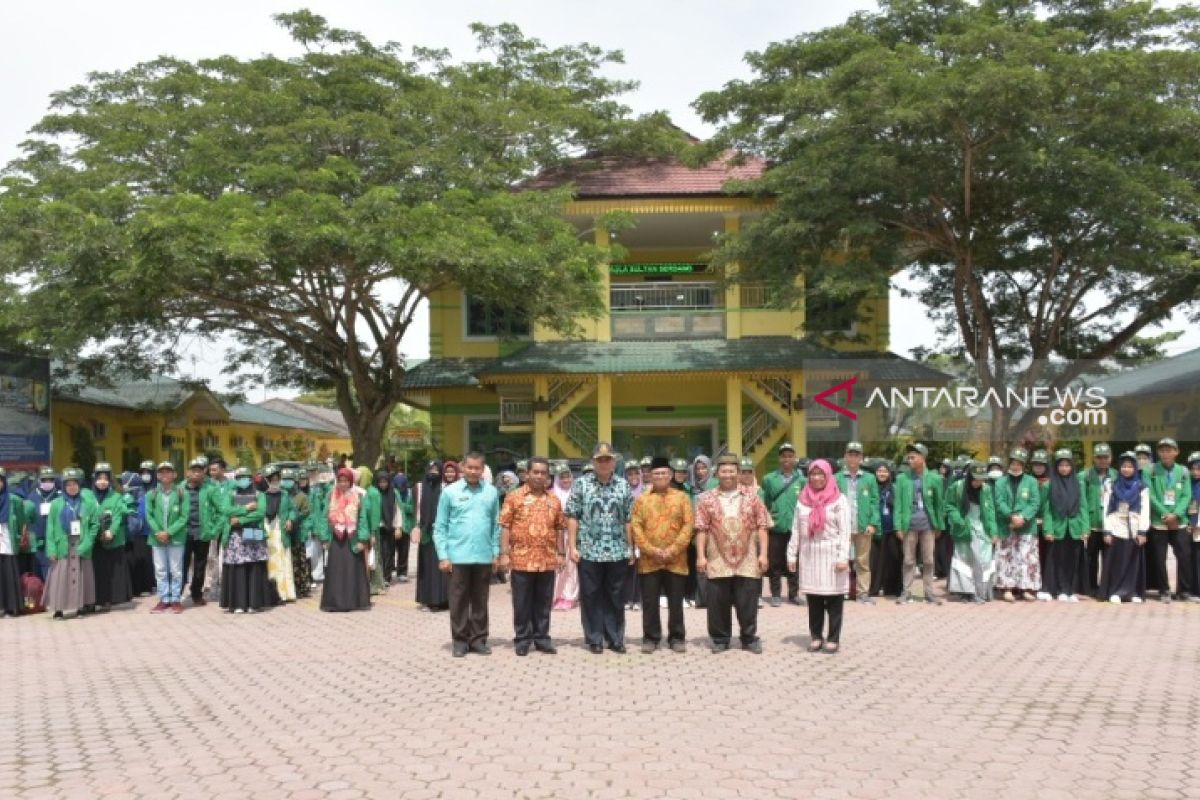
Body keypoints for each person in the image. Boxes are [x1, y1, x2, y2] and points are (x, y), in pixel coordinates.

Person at [694, 453, 771, 654]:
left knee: (747, 601)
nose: (728, 474)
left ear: (738, 473)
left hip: (747, 558)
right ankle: (720, 639)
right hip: (717, 557)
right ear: (717, 473)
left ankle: (749, 638)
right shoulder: (706, 499)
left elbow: (762, 526)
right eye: (723, 471)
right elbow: (701, 528)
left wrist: (763, 554)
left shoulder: (752, 497)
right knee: (717, 602)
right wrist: (701, 556)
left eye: (732, 471)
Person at [566, 443, 635, 655]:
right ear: (593, 462)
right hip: (589, 549)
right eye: (600, 459)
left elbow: (628, 519)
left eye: (608, 459)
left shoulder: (623, 486)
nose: (604, 463)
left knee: (616, 596)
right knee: (591, 595)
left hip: (617, 549)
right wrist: (572, 546)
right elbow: (572, 516)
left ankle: (615, 638)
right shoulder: (581, 484)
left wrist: (632, 548)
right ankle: (594, 638)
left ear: (614, 462)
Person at [435, 452, 501, 657]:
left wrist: (496, 552)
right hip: (458, 557)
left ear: (483, 470)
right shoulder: (450, 492)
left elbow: (496, 526)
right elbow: (440, 526)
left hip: (483, 556)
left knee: (481, 600)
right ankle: (460, 641)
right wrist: (443, 556)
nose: (473, 471)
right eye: (469, 467)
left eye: (477, 468)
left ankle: (479, 639)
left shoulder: (491, 493)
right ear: (463, 468)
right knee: (458, 601)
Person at [499, 457, 566, 656]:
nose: (539, 476)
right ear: (527, 474)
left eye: (543, 473)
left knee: (543, 602)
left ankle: (542, 638)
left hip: (546, 559)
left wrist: (561, 553)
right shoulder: (514, 497)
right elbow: (505, 526)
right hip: (521, 559)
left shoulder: (554, 500)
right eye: (535, 472)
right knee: (521, 602)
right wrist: (504, 554)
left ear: (548, 476)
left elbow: (560, 528)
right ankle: (522, 639)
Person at [630, 456, 694, 654]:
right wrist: (652, 550)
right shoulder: (642, 500)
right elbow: (636, 527)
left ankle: (676, 637)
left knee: (676, 601)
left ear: (670, 475)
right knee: (649, 602)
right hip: (650, 560)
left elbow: (689, 525)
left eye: (664, 473)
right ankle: (650, 637)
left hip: (676, 559)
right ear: (650, 475)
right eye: (656, 473)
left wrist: (673, 550)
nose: (660, 476)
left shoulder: (682, 498)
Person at [788, 459, 851, 654]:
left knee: (833, 600)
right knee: (814, 600)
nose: (816, 478)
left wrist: (843, 557)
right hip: (810, 555)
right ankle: (816, 636)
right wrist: (792, 555)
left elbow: (845, 531)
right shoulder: (802, 500)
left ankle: (833, 638)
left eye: (820, 474)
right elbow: (796, 529)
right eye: (812, 474)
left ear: (828, 476)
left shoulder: (839, 500)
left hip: (832, 555)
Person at [43, 468, 99, 619]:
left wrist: (88, 543)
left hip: (81, 543)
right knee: (60, 577)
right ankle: (58, 608)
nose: (72, 487)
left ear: (80, 485)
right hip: (63, 545)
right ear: (63, 486)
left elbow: (95, 525)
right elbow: (50, 528)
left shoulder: (88, 503)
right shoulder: (56, 504)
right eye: (68, 484)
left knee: (82, 575)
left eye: (75, 484)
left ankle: (81, 607)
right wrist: (51, 549)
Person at [894, 443, 945, 605]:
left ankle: (929, 592)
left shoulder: (935, 478)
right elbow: (898, 505)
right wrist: (898, 526)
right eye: (908, 457)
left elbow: (939, 504)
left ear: (922, 458)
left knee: (929, 560)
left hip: (928, 525)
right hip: (909, 525)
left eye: (913, 457)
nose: (909, 460)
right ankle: (906, 591)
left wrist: (939, 525)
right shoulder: (902, 479)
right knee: (909, 560)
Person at [218, 467, 274, 613]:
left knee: (254, 567)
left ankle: (253, 603)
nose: (243, 480)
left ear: (251, 478)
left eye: (246, 476)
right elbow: (225, 510)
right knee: (238, 568)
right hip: (235, 535)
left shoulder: (259, 494)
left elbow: (260, 513)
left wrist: (240, 520)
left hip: (253, 532)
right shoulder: (230, 494)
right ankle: (238, 604)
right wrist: (246, 508)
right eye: (239, 477)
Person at [1146, 438, 1193, 602]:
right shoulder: (1150, 470)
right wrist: (1165, 514)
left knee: (1184, 556)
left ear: (1176, 451)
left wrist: (1177, 514)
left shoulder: (1184, 471)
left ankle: (1184, 591)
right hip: (1159, 522)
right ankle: (1163, 590)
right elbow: (1150, 495)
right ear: (1158, 452)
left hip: (1179, 522)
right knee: (1159, 558)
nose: (1165, 453)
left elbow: (1187, 495)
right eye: (1162, 450)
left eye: (1169, 450)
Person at [318, 467, 371, 612]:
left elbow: (363, 518)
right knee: (336, 571)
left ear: (351, 481)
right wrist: (323, 537)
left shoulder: (359, 496)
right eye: (340, 481)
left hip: (352, 539)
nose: (343, 484)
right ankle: (335, 603)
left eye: (346, 481)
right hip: (336, 538)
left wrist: (363, 539)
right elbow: (323, 516)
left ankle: (354, 602)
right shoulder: (331, 495)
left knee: (352, 571)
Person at [993, 447, 1042, 602]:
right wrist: (1011, 516)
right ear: (1010, 463)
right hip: (1006, 525)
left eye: (1019, 463)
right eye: (1013, 462)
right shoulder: (1000, 481)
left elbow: (1035, 502)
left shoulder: (1031, 481)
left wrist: (1023, 517)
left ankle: (1026, 588)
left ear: (1024, 464)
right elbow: (999, 501)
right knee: (1006, 557)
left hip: (1026, 526)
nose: (1016, 466)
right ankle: (1007, 589)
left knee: (1026, 557)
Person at [944, 461, 998, 602]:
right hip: (963, 526)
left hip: (981, 527)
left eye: (981, 479)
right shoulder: (957, 487)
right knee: (963, 560)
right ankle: (965, 592)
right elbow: (949, 505)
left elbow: (990, 511)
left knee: (983, 559)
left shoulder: (986, 489)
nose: (978, 482)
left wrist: (993, 531)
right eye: (976, 478)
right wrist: (958, 520)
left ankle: (981, 591)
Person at [1099, 452, 1149, 603]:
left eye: (1129, 466)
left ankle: (1132, 592)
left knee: (1133, 562)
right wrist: (1107, 530)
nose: (1126, 469)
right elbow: (1106, 507)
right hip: (1116, 528)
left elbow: (1145, 509)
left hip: (1134, 529)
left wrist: (1142, 531)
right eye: (1123, 466)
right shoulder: (1112, 485)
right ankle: (1115, 591)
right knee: (1117, 562)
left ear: (1135, 468)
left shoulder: (1141, 486)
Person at [760, 443, 805, 608]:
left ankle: (793, 594)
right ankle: (776, 594)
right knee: (775, 563)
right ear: (779, 458)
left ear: (794, 458)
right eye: (784, 456)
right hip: (777, 526)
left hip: (794, 526)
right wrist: (769, 515)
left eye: (790, 456)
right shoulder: (769, 479)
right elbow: (764, 502)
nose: (787, 459)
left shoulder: (801, 480)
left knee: (794, 562)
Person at [1042, 449, 1089, 603]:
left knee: (1072, 561)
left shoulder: (1078, 483)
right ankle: (1055, 589)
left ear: (1072, 467)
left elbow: (1083, 507)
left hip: (1074, 528)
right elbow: (1047, 509)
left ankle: (1069, 590)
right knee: (1055, 560)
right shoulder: (1050, 484)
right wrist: (1048, 529)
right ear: (1056, 467)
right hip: (1057, 528)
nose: (1064, 468)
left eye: (1067, 465)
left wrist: (1085, 528)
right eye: (1061, 465)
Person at [836, 442, 880, 605]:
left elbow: (875, 502)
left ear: (861, 458)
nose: (853, 457)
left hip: (863, 525)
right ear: (845, 457)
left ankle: (863, 592)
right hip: (842, 526)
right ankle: (841, 591)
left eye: (857, 455)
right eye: (851, 454)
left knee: (862, 561)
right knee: (842, 560)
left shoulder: (869, 478)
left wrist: (873, 523)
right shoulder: (837, 478)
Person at [86, 463, 132, 612]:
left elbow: (118, 516)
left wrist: (111, 531)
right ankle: (93, 600)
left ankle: (107, 599)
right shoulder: (87, 496)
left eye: (106, 478)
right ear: (94, 479)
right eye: (99, 478)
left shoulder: (117, 497)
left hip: (111, 540)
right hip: (92, 541)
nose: (102, 481)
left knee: (108, 572)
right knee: (95, 571)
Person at [145, 462, 189, 614]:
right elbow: (149, 515)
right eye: (161, 472)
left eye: (168, 471)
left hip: (176, 538)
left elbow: (184, 517)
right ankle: (164, 599)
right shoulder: (152, 494)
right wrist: (158, 532)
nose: (165, 475)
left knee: (176, 570)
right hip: (156, 538)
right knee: (161, 570)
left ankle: (176, 599)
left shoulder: (182, 493)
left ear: (174, 474)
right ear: (157, 475)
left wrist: (169, 532)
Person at [412, 461, 451, 611]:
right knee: (427, 567)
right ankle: (428, 599)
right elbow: (415, 508)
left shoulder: (446, 488)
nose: (433, 472)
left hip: (443, 533)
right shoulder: (420, 487)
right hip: (426, 534)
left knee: (442, 566)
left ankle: (443, 600)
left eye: (436, 469)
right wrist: (415, 527)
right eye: (431, 469)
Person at [1083, 443, 1116, 598]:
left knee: (1109, 558)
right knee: (1091, 558)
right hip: (1092, 523)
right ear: (1094, 458)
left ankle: (1107, 587)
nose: (1102, 460)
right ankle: (1091, 587)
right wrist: (1084, 525)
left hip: (1111, 525)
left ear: (1111, 458)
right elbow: (1081, 502)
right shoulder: (1085, 475)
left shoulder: (1117, 475)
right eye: (1099, 457)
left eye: (1105, 457)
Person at [261, 466, 297, 603]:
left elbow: (293, 510)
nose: (275, 482)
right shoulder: (262, 496)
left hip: (280, 531)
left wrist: (290, 519)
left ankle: (286, 593)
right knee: (270, 563)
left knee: (283, 562)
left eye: (277, 479)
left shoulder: (285, 494)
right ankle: (272, 594)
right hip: (267, 531)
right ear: (267, 480)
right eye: (272, 479)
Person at [0, 468, 33, 617]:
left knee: (8, 575)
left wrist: (21, 537)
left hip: (8, 543)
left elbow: (22, 522)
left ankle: (11, 608)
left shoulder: (14, 500)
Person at [869, 461, 903, 598]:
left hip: (892, 530)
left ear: (889, 473)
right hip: (876, 530)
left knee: (894, 559)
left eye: (885, 471)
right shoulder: (872, 487)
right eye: (879, 471)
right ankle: (874, 589)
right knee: (875, 561)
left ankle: (893, 589)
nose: (882, 474)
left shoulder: (894, 488)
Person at [179, 459, 211, 607]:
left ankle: (196, 593)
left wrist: (213, 527)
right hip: (184, 533)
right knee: (181, 565)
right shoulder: (179, 489)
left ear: (203, 473)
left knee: (200, 565)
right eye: (194, 470)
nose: (196, 473)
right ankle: (177, 593)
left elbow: (217, 510)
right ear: (187, 472)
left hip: (202, 533)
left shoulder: (208, 489)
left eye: (199, 470)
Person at [551, 464, 580, 611]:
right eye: (562, 477)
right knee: (558, 565)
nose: (566, 480)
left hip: (573, 535)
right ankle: (556, 596)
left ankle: (569, 596)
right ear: (557, 479)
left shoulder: (577, 493)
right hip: (556, 535)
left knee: (572, 567)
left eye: (568, 476)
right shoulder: (551, 494)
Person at [25, 466, 61, 581]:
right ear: (39, 481)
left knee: (54, 573)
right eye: (44, 480)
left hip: (55, 543)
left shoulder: (59, 497)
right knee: (38, 573)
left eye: (50, 480)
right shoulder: (31, 497)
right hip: (37, 544)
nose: (47, 483)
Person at [283, 468, 314, 598]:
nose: (286, 482)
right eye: (284, 480)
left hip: (298, 533)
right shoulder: (282, 495)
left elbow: (308, 516)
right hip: (284, 533)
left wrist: (304, 530)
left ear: (295, 481)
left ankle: (301, 588)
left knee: (299, 562)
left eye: (289, 480)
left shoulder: (302, 497)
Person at [621, 459, 644, 612]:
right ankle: (627, 598)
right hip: (625, 534)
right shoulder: (622, 491)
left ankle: (637, 599)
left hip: (642, 534)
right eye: (630, 473)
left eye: (636, 473)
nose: (633, 476)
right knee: (626, 567)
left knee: (640, 567)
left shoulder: (646, 491)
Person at [390, 474, 413, 584]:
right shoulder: (392, 492)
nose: (400, 485)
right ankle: (389, 571)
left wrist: (402, 506)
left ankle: (402, 572)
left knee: (404, 551)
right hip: (394, 525)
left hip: (406, 526)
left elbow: (413, 508)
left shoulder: (410, 493)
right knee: (390, 550)